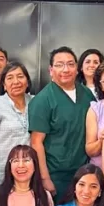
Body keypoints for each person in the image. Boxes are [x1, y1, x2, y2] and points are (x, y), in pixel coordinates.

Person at [29, 46, 94, 198]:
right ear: (51, 70)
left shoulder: (86, 94)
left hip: (83, 172)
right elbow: (36, 142)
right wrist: (45, 179)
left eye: (70, 64)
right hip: (56, 175)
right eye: (59, 65)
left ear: (77, 69)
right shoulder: (42, 100)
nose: (66, 69)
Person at [0, 61, 34, 191]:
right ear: (3, 84)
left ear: (27, 81)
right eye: (10, 78)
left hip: (28, 177)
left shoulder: (36, 103)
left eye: (20, 76)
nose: (16, 81)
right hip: (1, 176)